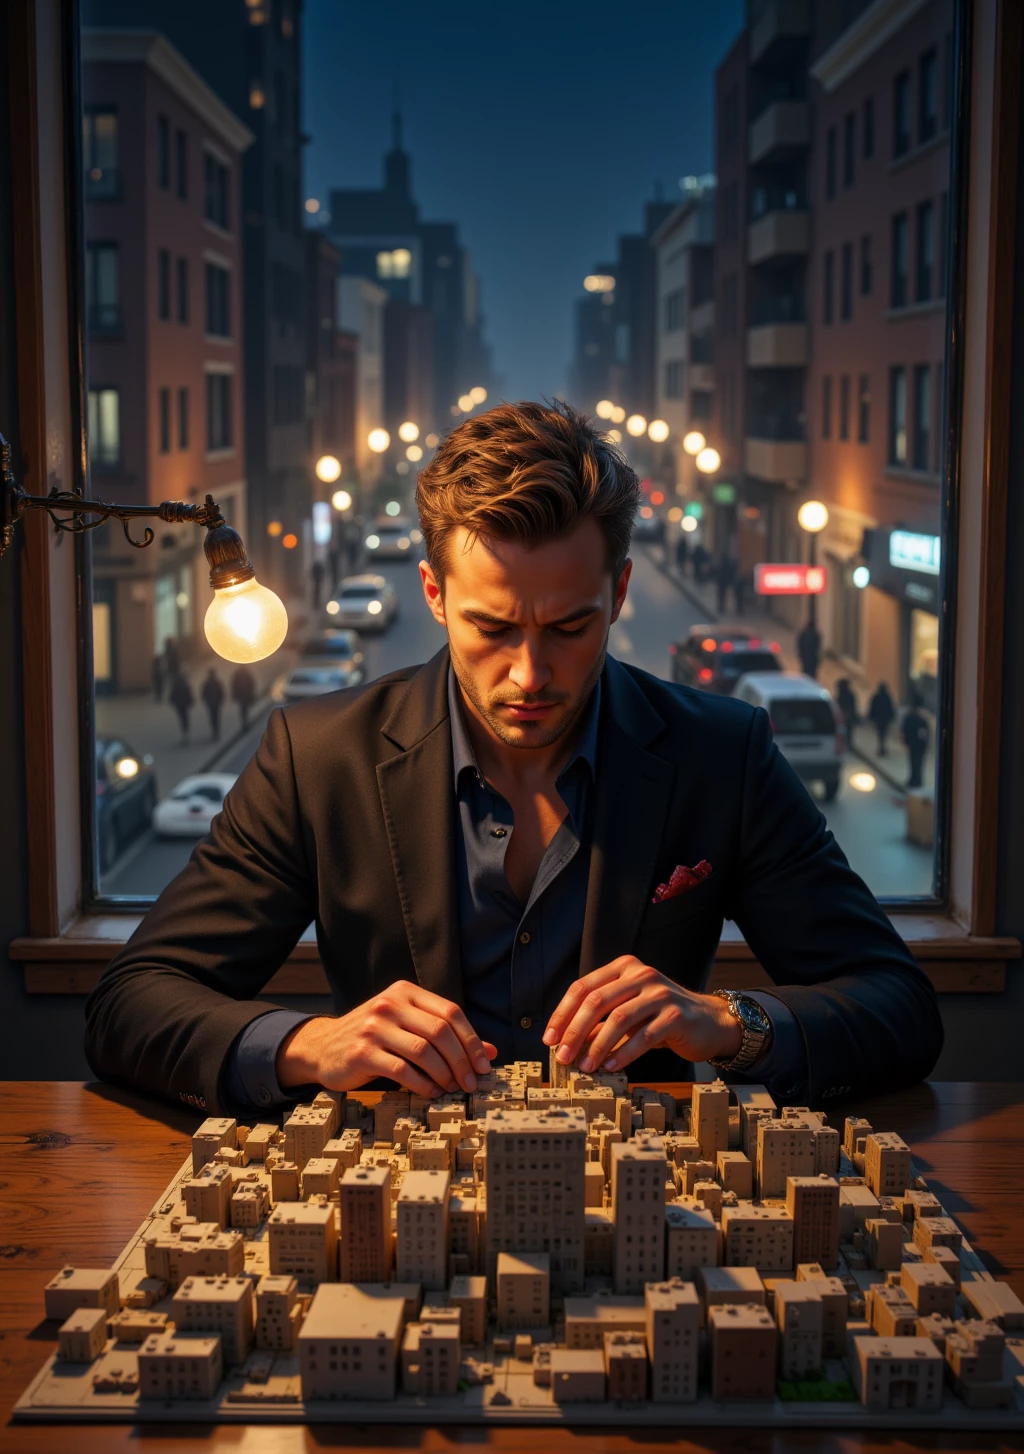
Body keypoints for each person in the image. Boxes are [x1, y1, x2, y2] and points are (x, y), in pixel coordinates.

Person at [85, 401, 941, 1119]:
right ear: (435, 596)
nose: (530, 675)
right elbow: (129, 1003)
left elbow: (899, 1008)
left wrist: (727, 1022)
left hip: (637, 1212)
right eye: (492, 629)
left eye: (570, 628)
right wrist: (308, 1043)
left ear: (620, 594)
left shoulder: (725, 755)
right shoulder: (316, 758)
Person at [901, 697, 930, 790]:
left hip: (913, 743)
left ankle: (915, 780)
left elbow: (904, 729)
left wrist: (906, 740)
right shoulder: (922, 717)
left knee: (914, 761)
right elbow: (925, 732)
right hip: (919, 744)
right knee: (917, 762)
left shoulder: (910, 716)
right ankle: (916, 780)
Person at [868, 681, 896, 757]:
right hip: (884, 719)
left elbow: (872, 708)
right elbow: (891, 708)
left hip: (879, 719)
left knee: (880, 734)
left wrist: (871, 717)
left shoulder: (877, 697)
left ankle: (881, 747)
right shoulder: (887, 697)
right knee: (883, 733)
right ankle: (882, 747)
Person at [168, 671, 193, 744]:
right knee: (185, 719)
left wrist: (173, 702)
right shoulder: (185, 686)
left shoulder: (176, 686)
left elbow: (172, 696)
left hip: (179, 705)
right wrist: (190, 702)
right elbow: (189, 695)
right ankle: (186, 733)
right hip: (184, 705)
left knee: (182, 719)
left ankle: (185, 733)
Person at [201, 668, 225, 742]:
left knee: (213, 718)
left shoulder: (208, 683)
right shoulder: (215, 683)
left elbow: (204, 694)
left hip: (212, 703)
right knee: (215, 717)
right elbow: (221, 693)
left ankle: (215, 731)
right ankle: (216, 731)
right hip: (214, 703)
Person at [230, 667, 256, 731]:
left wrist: (234, 695)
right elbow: (252, 684)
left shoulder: (237, 675)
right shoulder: (247, 675)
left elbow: (233, 685)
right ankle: (245, 722)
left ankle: (245, 722)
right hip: (245, 695)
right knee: (244, 709)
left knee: (243, 709)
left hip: (242, 696)